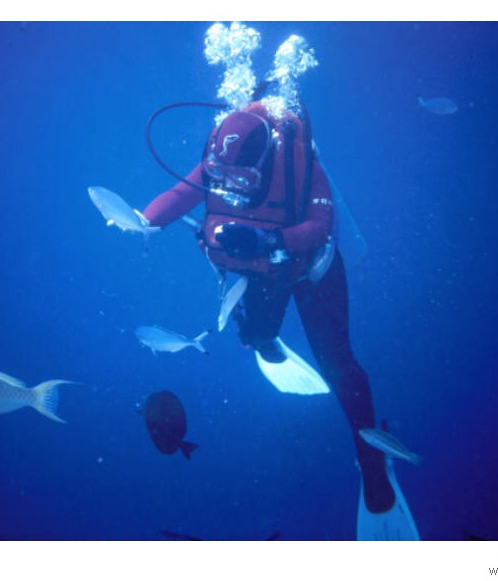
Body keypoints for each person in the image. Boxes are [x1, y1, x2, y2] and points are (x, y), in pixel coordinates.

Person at [140, 99, 419, 540]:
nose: (233, 187)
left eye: (244, 178)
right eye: (225, 177)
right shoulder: (218, 160)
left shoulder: (299, 161)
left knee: (338, 364)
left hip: (313, 272)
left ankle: (372, 461)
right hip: (262, 274)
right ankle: (260, 335)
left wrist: (270, 239)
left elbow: (320, 225)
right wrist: (143, 220)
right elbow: (181, 195)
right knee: (257, 335)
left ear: (265, 159)